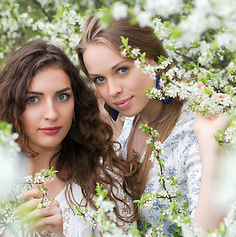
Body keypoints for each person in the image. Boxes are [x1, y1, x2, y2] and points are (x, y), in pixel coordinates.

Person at [77, 16, 227, 234]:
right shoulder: (130, 125)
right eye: (100, 79)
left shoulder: (194, 129)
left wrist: (210, 143)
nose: (112, 91)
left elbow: (208, 231)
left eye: (122, 70)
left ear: (154, 59)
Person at [0, 39, 137, 236]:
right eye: (33, 99)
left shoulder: (105, 177)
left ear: (76, 102)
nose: (51, 114)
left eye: (62, 97)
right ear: (13, 106)